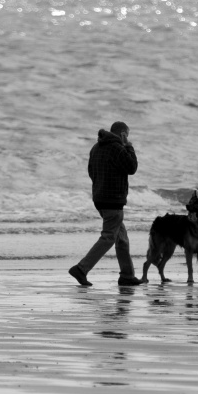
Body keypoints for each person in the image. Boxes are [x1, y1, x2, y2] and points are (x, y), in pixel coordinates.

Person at [69, 121, 140, 287]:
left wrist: (100, 187)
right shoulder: (118, 148)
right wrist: (129, 146)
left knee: (121, 237)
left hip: (99, 198)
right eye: (127, 136)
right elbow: (132, 167)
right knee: (109, 237)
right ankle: (81, 269)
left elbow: (90, 172)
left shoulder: (96, 147)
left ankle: (127, 275)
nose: (127, 139)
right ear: (122, 134)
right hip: (113, 200)